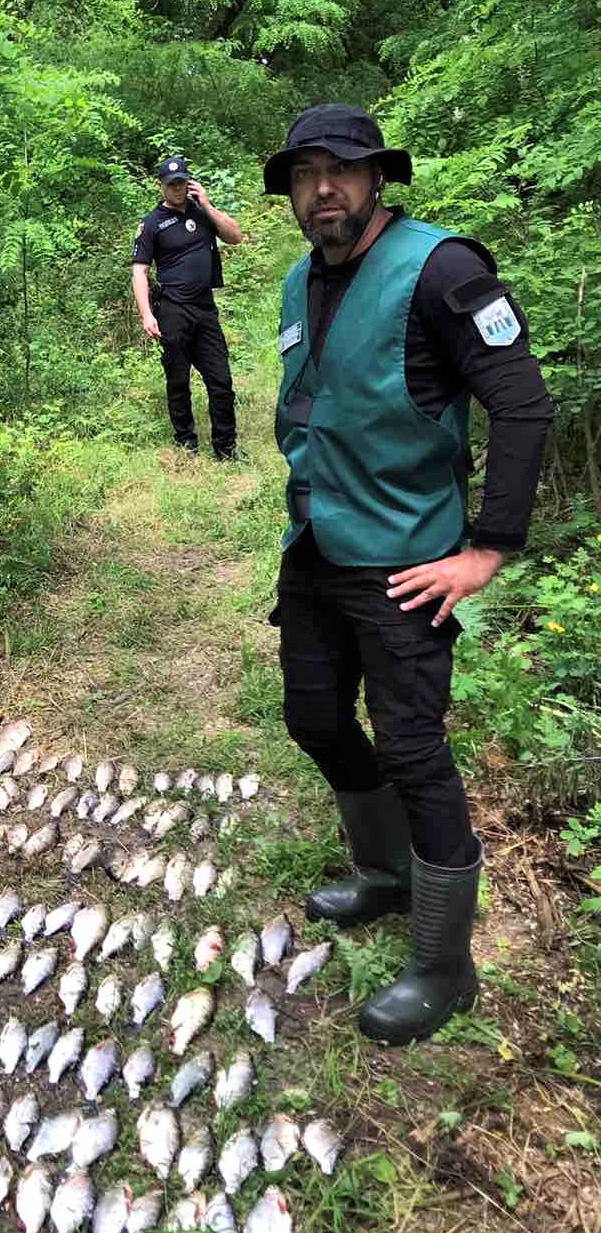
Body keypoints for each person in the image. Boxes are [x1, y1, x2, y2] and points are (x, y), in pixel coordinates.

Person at [263, 104, 553, 1044]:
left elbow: (523, 405)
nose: (323, 190)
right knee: (314, 718)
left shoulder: (444, 271)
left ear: (377, 177)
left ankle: (443, 964)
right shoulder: (298, 280)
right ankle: (385, 875)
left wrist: (487, 547)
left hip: (406, 562)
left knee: (414, 750)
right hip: (316, 548)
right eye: (305, 174)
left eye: (341, 170)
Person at [131, 157, 243, 457]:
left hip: (204, 308)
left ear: (189, 182)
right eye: (171, 184)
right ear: (161, 186)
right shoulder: (152, 223)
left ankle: (226, 447)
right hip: (172, 309)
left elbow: (235, 236)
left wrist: (207, 204)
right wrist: (146, 314)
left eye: (181, 182)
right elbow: (140, 271)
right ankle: (186, 443)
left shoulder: (202, 212)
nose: (177, 188)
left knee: (220, 379)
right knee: (178, 379)